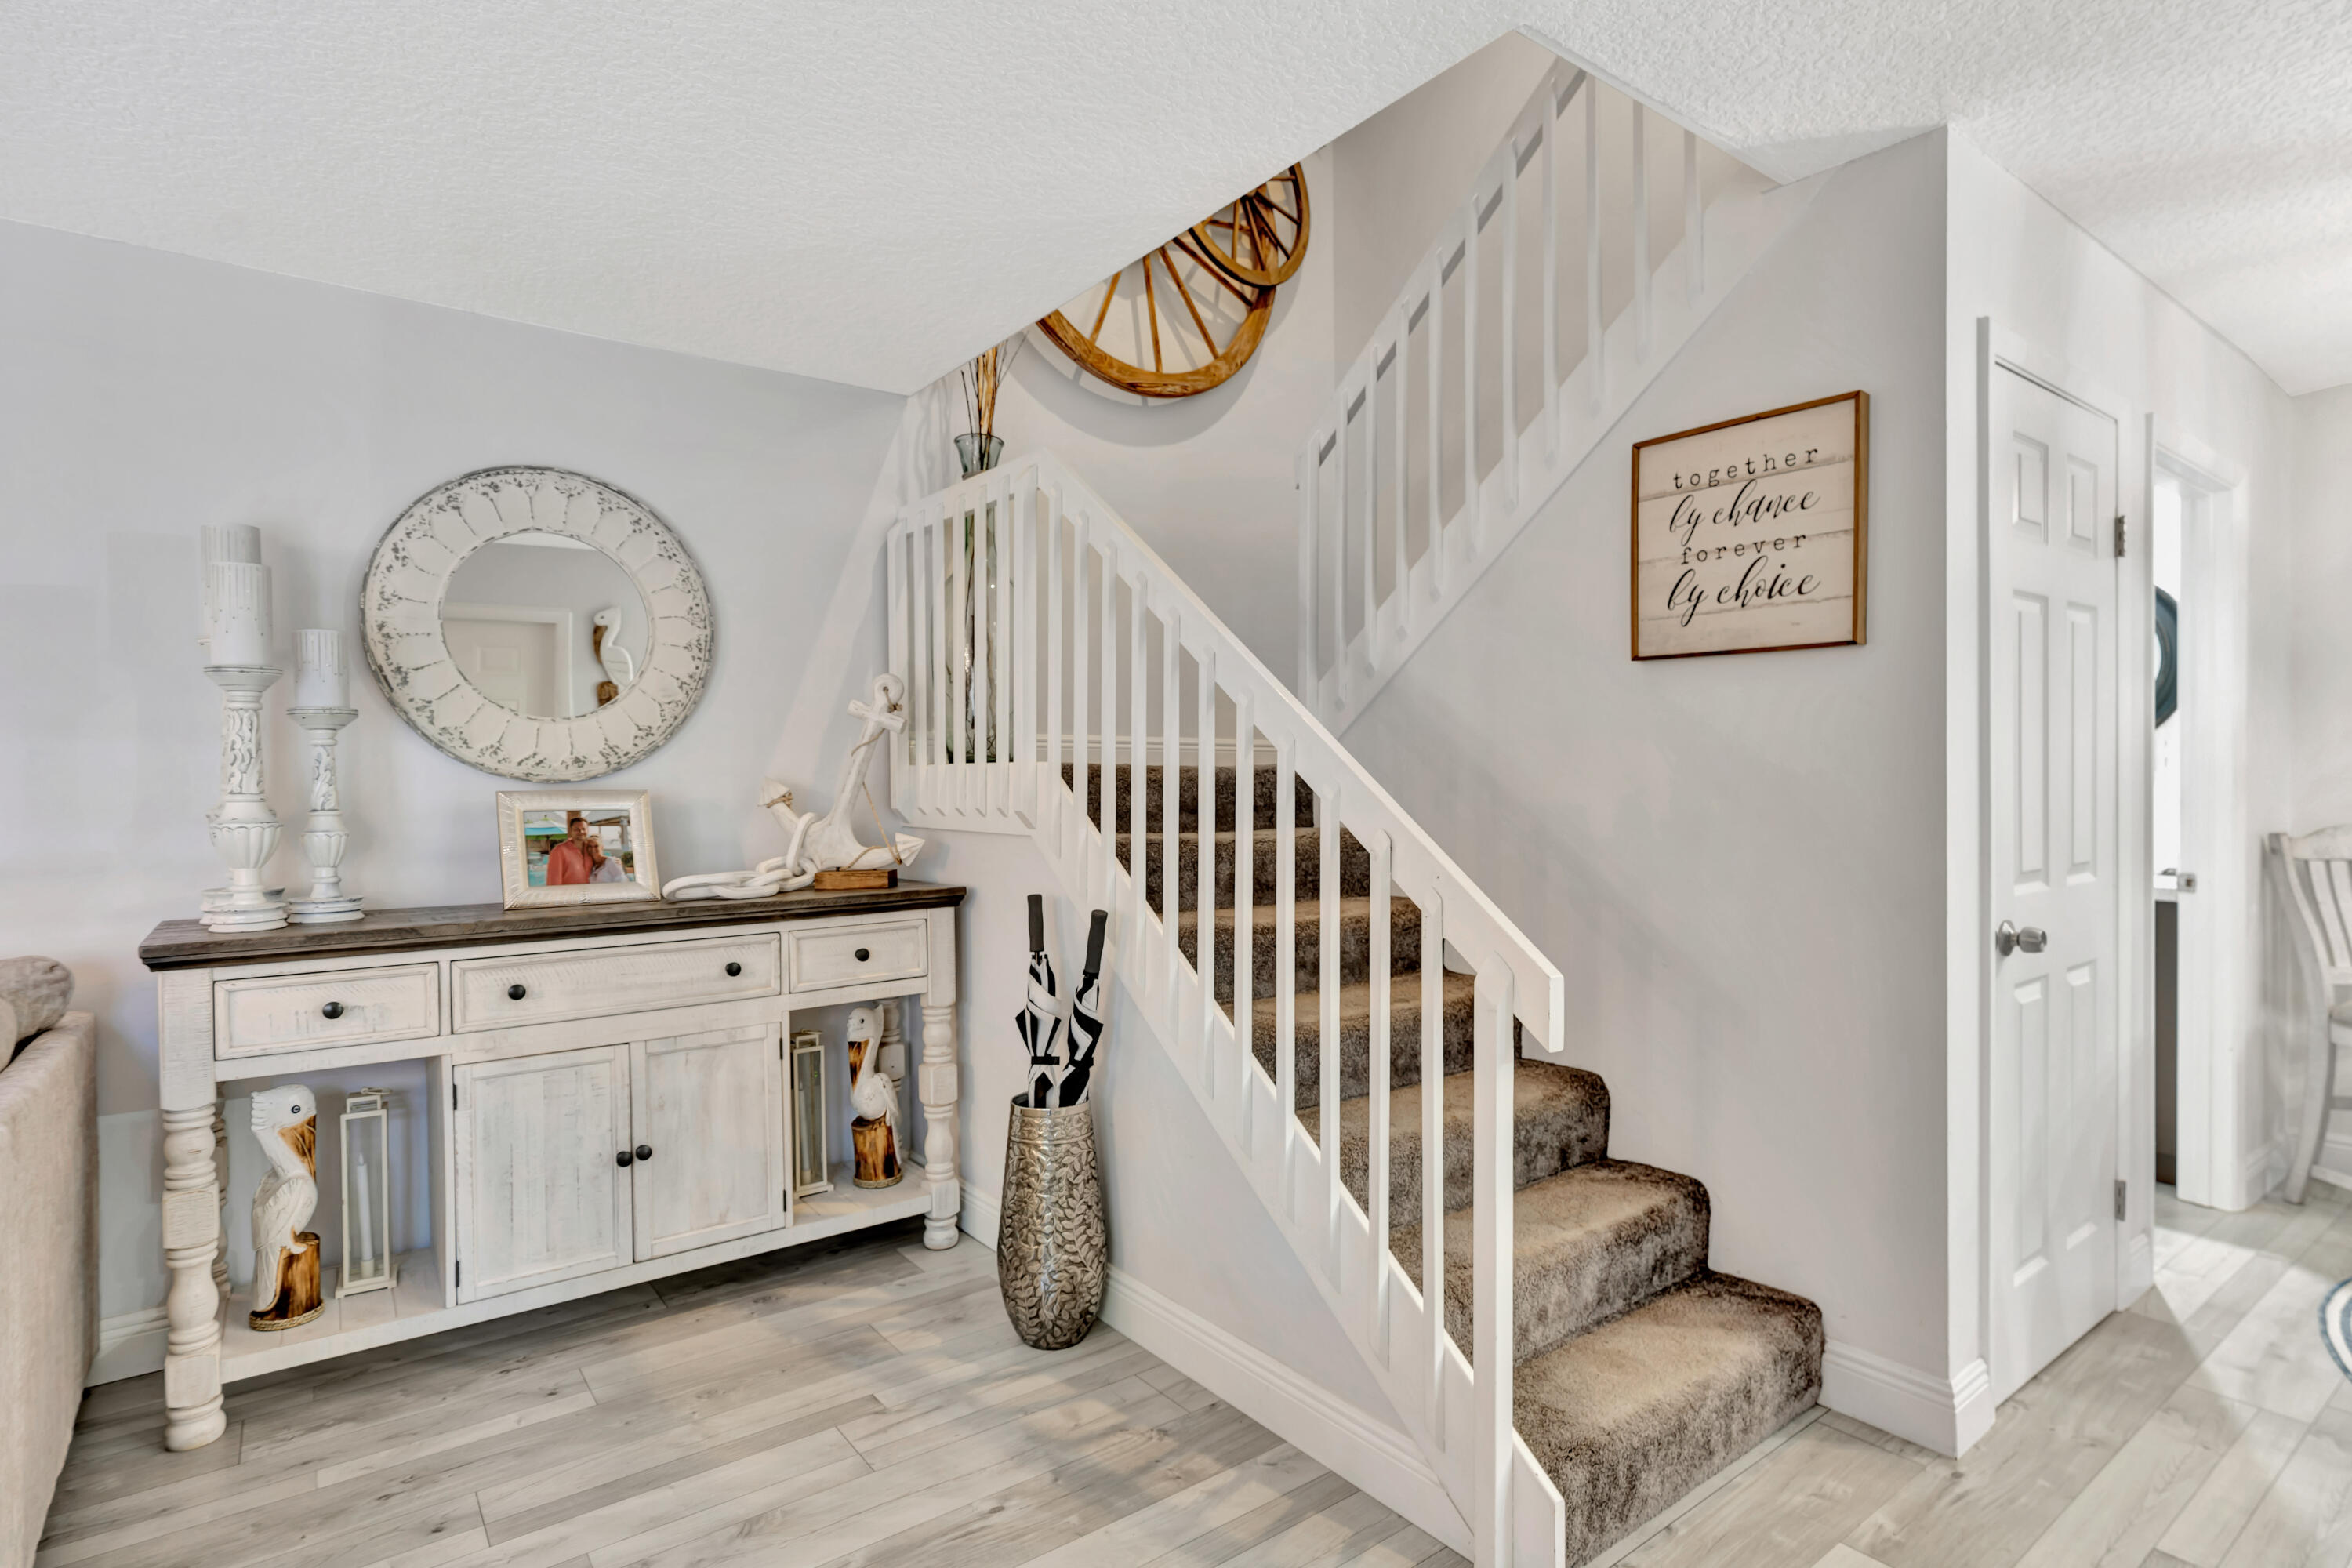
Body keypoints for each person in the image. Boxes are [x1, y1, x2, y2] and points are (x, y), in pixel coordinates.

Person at [543, 815, 600, 885]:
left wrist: (612, 861)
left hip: (588, 894)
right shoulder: (559, 851)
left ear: (587, 830)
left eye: (583, 829)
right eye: (577, 829)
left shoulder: (590, 848)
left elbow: (600, 862)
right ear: (570, 831)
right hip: (568, 894)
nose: (581, 832)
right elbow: (553, 880)